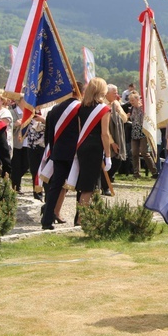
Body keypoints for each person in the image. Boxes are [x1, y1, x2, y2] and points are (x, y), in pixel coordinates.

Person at [41, 83, 83, 230]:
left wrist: (53, 151)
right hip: (76, 154)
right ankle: (79, 219)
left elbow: (49, 136)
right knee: (80, 187)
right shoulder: (81, 109)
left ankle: (47, 220)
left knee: (55, 187)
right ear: (79, 92)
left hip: (58, 152)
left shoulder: (54, 109)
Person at [74, 78, 111, 222]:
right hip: (95, 148)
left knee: (87, 183)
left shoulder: (81, 107)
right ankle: (81, 219)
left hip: (82, 146)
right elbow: (105, 134)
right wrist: (108, 156)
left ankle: (88, 216)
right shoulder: (103, 109)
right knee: (89, 186)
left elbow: (79, 129)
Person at [101, 84, 127, 196]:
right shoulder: (102, 105)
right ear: (107, 93)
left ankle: (106, 182)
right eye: (114, 93)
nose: (117, 95)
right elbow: (104, 128)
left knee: (117, 161)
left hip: (118, 137)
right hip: (106, 138)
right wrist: (112, 143)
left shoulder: (116, 104)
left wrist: (119, 111)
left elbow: (125, 119)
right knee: (106, 162)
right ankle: (104, 186)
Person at [127, 91, 158, 178]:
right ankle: (136, 173)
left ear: (137, 100)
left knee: (144, 152)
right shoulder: (131, 109)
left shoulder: (143, 108)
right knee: (134, 152)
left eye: (132, 100)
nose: (131, 102)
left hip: (143, 132)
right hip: (135, 132)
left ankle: (154, 171)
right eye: (130, 100)